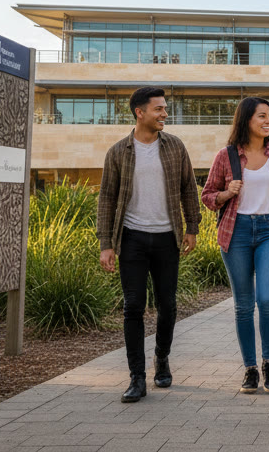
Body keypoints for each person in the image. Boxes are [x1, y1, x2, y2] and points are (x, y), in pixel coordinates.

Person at [96, 87, 202, 402]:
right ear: (140, 112)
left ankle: (162, 356)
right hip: (131, 238)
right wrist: (106, 243)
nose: (164, 114)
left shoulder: (174, 147)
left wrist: (192, 227)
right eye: (158, 109)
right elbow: (106, 199)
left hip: (167, 236)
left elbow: (188, 187)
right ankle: (137, 378)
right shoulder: (118, 152)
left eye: (165, 109)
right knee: (133, 307)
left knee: (167, 305)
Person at [201, 97, 269, 394]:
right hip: (237, 232)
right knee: (243, 305)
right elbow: (207, 196)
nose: (268, 121)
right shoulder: (227, 156)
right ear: (246, 120)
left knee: (267, 299)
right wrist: (225, 194)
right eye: (261, 116)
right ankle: (250, 368)